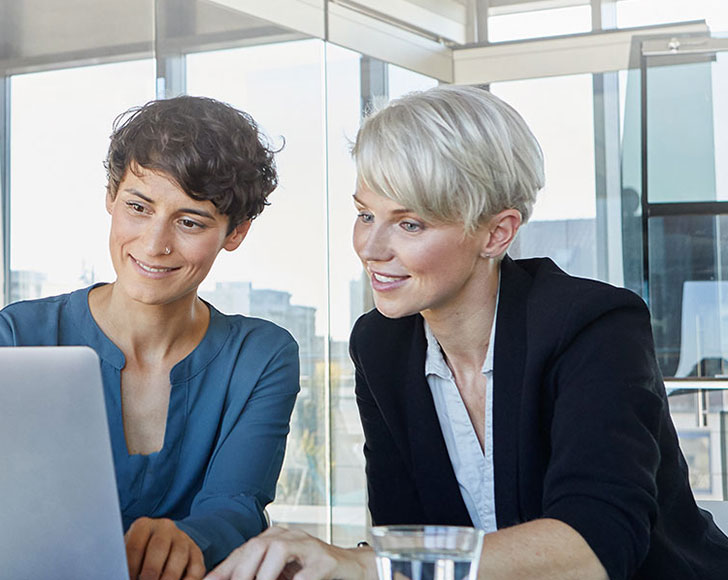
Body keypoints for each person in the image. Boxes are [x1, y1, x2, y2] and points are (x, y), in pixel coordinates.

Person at [205, 85, 728, 580]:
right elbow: (404, 530)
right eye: (366, 214)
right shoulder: (381, 343)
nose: (371, 246)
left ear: (497, 233)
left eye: (410, 224)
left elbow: (596, 547)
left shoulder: (593, 325)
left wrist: (366, 565)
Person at [0, 96, 300, 580]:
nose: (154, 244)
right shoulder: (22, 335)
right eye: (138, 207)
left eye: (189, 221)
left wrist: (190, 539)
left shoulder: (260, 355)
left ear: (235, 233)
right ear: (111, 197)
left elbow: (237, 503)